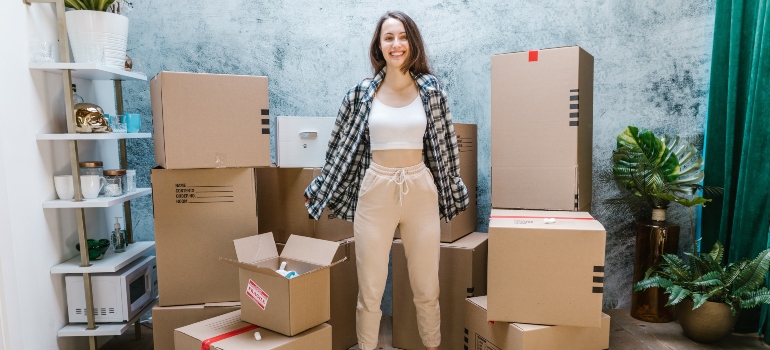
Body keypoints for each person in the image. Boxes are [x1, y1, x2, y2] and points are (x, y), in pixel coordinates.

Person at [304, 10, 469, 350]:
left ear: (413, 42)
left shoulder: (432, 90)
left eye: (403, 36)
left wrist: (452, 188)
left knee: (427, 288)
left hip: (420, 189)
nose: (397, 44)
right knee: (370, 289)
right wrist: (319, 189)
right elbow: (338, 149)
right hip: (375, 190)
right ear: (379, 46)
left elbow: (448, 146)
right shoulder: (360, 94)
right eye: (389, 37)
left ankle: (432, 345)